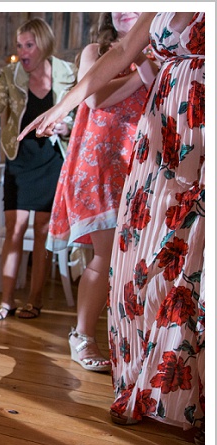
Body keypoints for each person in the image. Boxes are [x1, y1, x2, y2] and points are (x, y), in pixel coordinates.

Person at [21, 13, 205, 445]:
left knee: (184, 258)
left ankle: (188, 391)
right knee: (134, 260)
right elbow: (100, 91)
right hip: (138, 152)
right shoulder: (105, 50)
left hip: (175, 137)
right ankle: (114, 356)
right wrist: (64, 105)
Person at [46, 12, 157, 373]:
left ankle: (131, 338)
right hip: (99, 164)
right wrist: (140, 72)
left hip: (139, 161)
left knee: (142, 257)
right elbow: (93, 100)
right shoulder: (95, 51)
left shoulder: (162, 49)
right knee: (106, 254)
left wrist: (146, 68)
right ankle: (83, 335)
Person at [0, 18, 75, 321]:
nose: (23, 52)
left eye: (29, 45)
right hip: (19, 159)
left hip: (52, 159)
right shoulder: (11, 75)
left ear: (43, 45)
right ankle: (6, 302)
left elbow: (80, 111)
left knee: (42, 232)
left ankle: (34, 301)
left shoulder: (67, 73)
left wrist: (65, 126)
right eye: (19, 46)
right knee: (15, 230)